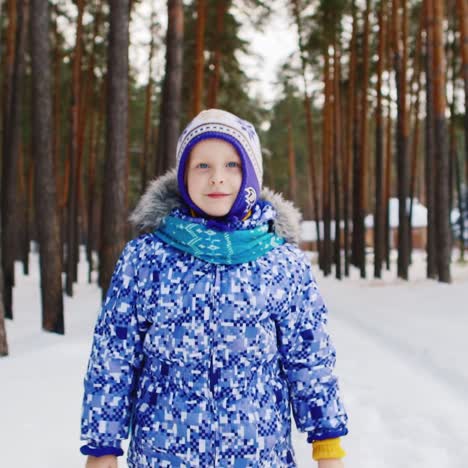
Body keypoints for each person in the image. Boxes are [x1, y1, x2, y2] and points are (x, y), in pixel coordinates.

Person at [80, 109, 349, 468]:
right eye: (202, 166)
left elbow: (309, 357)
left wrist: (327, 446)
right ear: (183, 176)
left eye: (232, 165)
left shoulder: (281, 262)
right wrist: (102, 448)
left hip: (258, 455)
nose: (217, 178)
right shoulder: (147, 259)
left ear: (251, 174)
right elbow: (114, 356)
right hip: (165, 455)